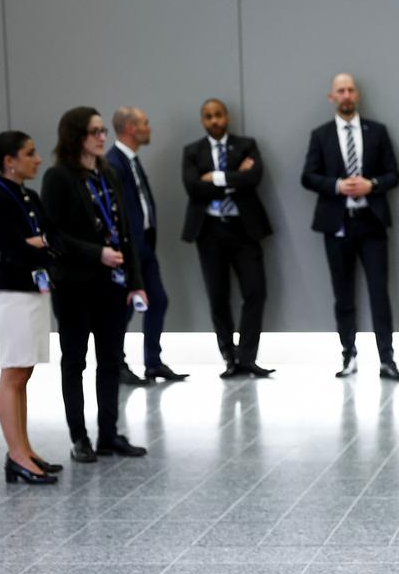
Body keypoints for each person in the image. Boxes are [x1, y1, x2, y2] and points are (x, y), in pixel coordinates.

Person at [40, 106, 149, 463]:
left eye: (104, 131)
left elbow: (125, 232)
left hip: (112, 285)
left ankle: (108, 433)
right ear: (76, 136)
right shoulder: (58, 178)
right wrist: (96, 253)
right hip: (74, 285)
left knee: (111, 360)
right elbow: (53, 235)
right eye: (95, 132)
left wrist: (136, 281)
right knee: (75, 361)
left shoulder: (107, 173)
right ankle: (79, 437)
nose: (103, 137)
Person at [302, 73, 399, 381]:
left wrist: (371, 184)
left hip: (371, 222)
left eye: (350, 90)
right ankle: (348, 354)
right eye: (341, 91)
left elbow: (394, 174)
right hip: (337, 224)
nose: (346, 95)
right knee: (343, 293)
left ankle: (387, 359)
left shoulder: (377, 131)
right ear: (332, 97)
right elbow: (308, 176)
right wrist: (337, 185)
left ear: (357, 95)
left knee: (379, 293)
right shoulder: (321, 135)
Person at [0, 130, 61, 484]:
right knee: (13, 374)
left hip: (34, 292)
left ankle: (25, 448)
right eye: (30, 153)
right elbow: (10, 250)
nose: (38, 159)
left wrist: (39, 243)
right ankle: (16, 454)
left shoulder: (29, 195)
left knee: (24, 374)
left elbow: (53, 239)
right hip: (12, 297)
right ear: (9, 161)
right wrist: (35, 245)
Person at [180, 98, 274, 379]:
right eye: (208, 116)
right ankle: (229, 357)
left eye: (218, 115)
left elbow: (253, 178)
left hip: (244, 229)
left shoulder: (246, 145)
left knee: (256, 291)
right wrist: (234, 179)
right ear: (203, 120)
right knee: (217, 296)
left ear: (227, 117)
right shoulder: (192, 151)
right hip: (209, 232)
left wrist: (215, 178)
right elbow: (193, 188)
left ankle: (247, 357)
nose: (214, 121)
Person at [107, 106, 187, 384]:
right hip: (128, 249)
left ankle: (153, 362)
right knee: (125, 307)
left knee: (158, 300)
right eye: (144, 123)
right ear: (130, 127)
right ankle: (116, 362)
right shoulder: (114, 163)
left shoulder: (131, 160)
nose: (148, 127)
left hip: (144, 246)